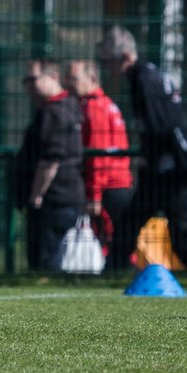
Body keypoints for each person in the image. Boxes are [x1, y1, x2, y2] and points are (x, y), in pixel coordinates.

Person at [96, 26, 187, 271]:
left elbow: (162, 125)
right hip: (167, 166)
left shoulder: (143, 80)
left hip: (166, 169)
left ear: (126, 56)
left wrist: (151, 157)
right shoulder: (147, 76)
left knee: (176, 227)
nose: (109, 68)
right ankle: (114, 267)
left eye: (111, 61)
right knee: (136, 220)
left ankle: (114, 266)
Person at [15, 59, 85, 271]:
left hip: (53, 199)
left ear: (53, 77)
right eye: (26, 80)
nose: (29, 85)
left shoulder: (54, 112)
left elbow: (50, 160)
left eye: (33, 79)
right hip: (65, 197)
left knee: (44, 261)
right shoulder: (70, 106)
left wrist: (36, 194)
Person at [65, 58, 133, 257]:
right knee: (119, 240)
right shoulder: (106, 104)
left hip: (108, 187)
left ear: (92, 78)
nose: (69, 83)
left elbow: (98, 155)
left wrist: (94, 195)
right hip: (119, 182)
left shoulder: (94, 108)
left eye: (74, 78)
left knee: (109, 243)